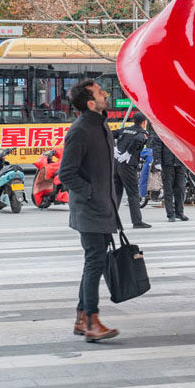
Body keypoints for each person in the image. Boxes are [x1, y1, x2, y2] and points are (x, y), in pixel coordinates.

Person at [57, 79, 120, 343]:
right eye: (100, 92)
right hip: (91, 210)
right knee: (95, 263)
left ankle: (82, 318)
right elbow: (66, 173)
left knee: (93, 262)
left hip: (104, 208)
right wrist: (93, 195)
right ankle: (92, 321)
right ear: (91, 103)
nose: (105, 93)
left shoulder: (100, 124)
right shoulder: (81, 130)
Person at [113, 111, 151, 229]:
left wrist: (114, 148)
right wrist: (128, 153)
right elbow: (138, 140)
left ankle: (112, 221)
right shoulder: (142, 133)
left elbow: (108, 134)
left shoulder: (124, 130)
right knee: (133, 194)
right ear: (144, 122)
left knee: (116, 193)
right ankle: (137, 222)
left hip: (116, 164)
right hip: (128, 166)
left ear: (133, 120)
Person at [150, 127, 189, 222]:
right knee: (168, 190)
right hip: (167, 163)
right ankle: (170, 214)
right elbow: (157, 146)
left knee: (180, 188)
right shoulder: (161, 130)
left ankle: (179, 212)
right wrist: (157, 161)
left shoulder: (181, 130)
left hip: (180, 163)